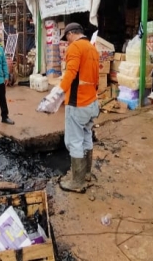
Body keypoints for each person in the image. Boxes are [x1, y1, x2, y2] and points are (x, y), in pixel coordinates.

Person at [53, 22, 100, 193]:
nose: (67, 41)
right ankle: (86, 173)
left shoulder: (75, 48)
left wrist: (58, 92)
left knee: (74, 141)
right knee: (86, 136)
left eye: (66, 37)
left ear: (71, 33)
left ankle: (77, 182)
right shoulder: (92, 48)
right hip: (91, 102)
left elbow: (70, 73)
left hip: (77, 103)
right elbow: (96, 77)